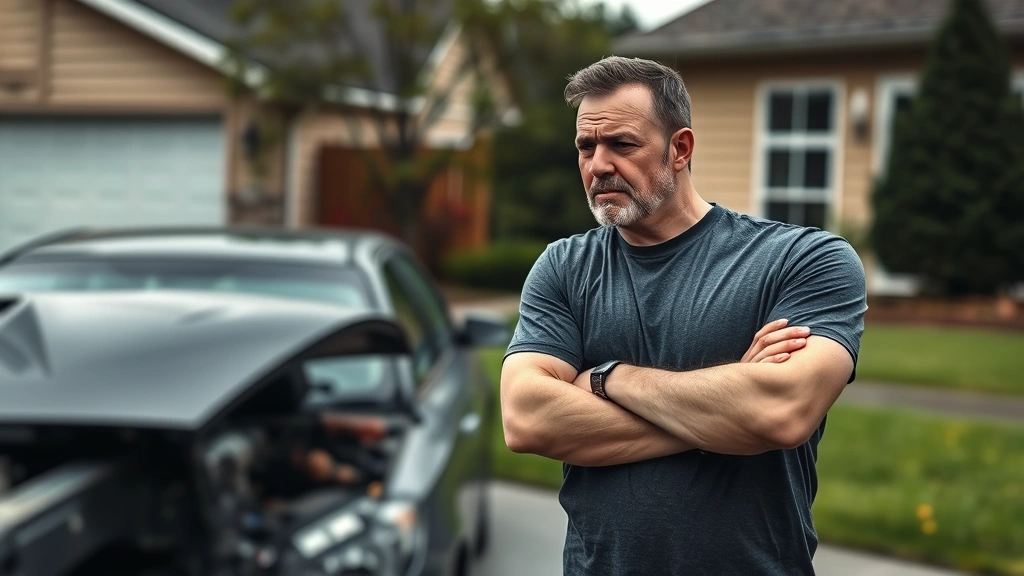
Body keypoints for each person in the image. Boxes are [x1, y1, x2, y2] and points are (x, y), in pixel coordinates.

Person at [500, 56, 867, 575]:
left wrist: (608, 378)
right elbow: (526, 418)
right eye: (586, 146)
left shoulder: (801, 260)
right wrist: (728, 416)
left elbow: (781, 411)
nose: (598, 163)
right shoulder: (564, 268)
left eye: (621, 144)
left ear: (680, 148)